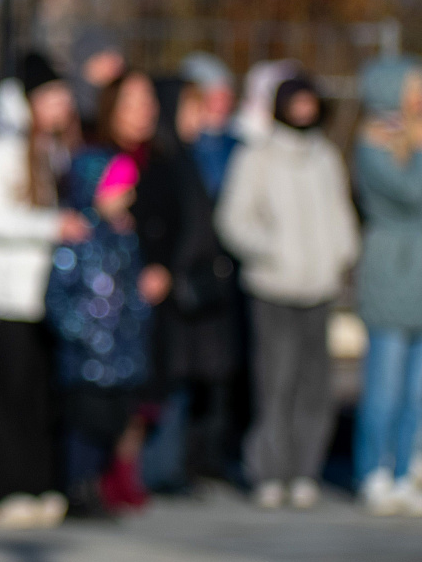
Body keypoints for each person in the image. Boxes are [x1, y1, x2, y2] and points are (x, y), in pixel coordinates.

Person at [217, 75, 360, 510]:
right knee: (273, 382)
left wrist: (341, 254)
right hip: (273, 286)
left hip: (319, 286)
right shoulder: (257, 157)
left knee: (315, 384)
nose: (303, 111)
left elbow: (341, 214)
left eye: (309, 103)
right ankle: (270, 471)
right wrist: (269, 252)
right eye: (295, 103)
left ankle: (305, 469)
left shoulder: (325, 157)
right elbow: (234, 219)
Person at [0, 52, 89, 528]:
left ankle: (39, 483)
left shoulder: (50, 149)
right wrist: (52, 225)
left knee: (40, 396)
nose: (63, 106)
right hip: (6, 297)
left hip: (42, 297)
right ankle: (6, 486)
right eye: (54, 96)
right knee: (11, 396)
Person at [46, 71, 166, 518]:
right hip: (86, 353)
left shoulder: (123, 237)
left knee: (110, 423)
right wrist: (81, 332)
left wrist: (135, 322)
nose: (127, 195)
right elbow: (60, 293)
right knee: (83, 425)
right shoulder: (81, 238)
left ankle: (96, 485)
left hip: (119, 352)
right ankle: (77, 488)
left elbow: (133, 289)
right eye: (119, 187)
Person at [134, 80, 240, 493]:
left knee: (189, 380)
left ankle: (179, 464)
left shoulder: (193, 158)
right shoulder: (167, 160)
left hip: (192, 286)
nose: (200, 119)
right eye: (192, 110)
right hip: (171, 286)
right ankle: (157, 467)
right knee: (165, 380)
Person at [351, 56, 422, 516]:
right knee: (385, 384)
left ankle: (406, 470)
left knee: (418, 391)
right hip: (391, 271)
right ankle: (373, 470)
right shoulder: (373, 143)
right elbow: (411, 193)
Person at [179, 52, 240, 199]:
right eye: (217, 97)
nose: (224, 105)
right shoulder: (183, 147)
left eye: (228, 97)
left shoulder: (237, 145)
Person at [70, 28, 127, 135]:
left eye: (117, 56)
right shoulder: (73, 106)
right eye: (105, 56)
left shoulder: (124, 94)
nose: (116, 63)